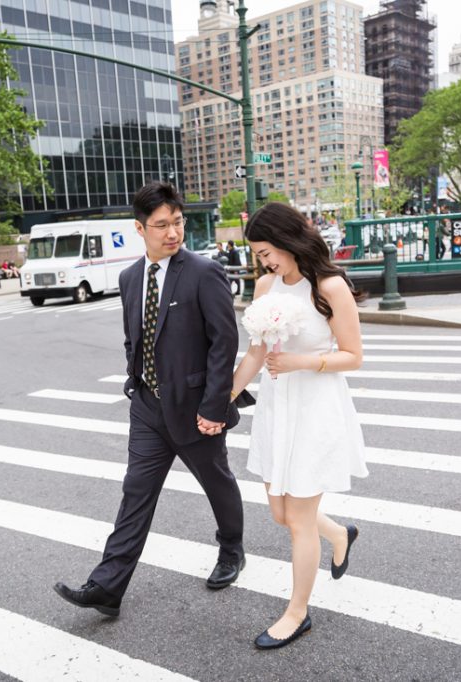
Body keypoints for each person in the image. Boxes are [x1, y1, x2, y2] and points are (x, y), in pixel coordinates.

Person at [54, 181, 245, 617]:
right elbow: (133, 338)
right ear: (140, 229)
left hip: (197, 409)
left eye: (177, 222)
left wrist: (214, 406)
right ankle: (107, 586)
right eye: (161, 225)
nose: (172, 232)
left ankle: (231, 548)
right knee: (135, 493)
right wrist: (134, 381)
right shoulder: (128, 278)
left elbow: (224, 343)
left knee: (217, 481)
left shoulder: (203, 271)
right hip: (147, 406)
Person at [229, 201, 368, 650]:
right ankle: (340, 533)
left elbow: (353, 355)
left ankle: (297, 613)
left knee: (299, 523)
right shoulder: (267, 285)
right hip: (277, 408)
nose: (263, 261)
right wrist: (222, 398)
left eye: (267, 250)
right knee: (281, 513)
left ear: (289, 240)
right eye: (258, 254)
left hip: (315, 408)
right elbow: (255, 352)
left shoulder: (329, 287)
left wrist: (299, 361)